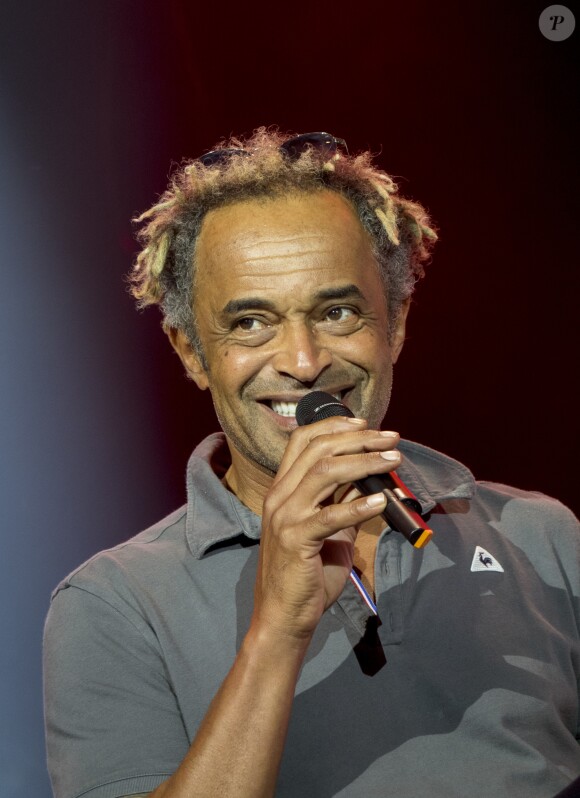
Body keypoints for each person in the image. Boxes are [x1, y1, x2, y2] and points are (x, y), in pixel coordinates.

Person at [43, 129, 580, 798]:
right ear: (190, 352)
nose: (303, 363)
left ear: (398, 324)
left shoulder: (544, 537)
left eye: (336, 311)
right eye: (250, 323)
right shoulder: (113, 604)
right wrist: (276, 630)